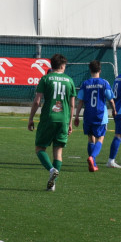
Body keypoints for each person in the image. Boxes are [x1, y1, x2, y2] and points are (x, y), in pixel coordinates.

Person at [28, 53, 76, 191]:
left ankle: (51, 170)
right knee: (58, 151)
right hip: (64, 119)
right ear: (62, 65)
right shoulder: (69, 80)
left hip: (48, 118)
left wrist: (31, 118)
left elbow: (37, 101)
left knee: (40, 148)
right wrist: (70, 122)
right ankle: (53, 184)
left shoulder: (46, 79)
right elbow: (72, 104)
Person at [73, 59, 117, 172]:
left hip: (88, 115)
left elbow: (80, 101)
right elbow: (111, 100)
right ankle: (92, 158)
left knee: (90, 139)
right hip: (100, 116)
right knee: (100, 138)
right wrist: (114, 110)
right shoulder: (104, 83)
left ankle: (93, 164)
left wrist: (77, 116)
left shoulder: (85, 83)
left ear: (90, 70)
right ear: (100, 70)